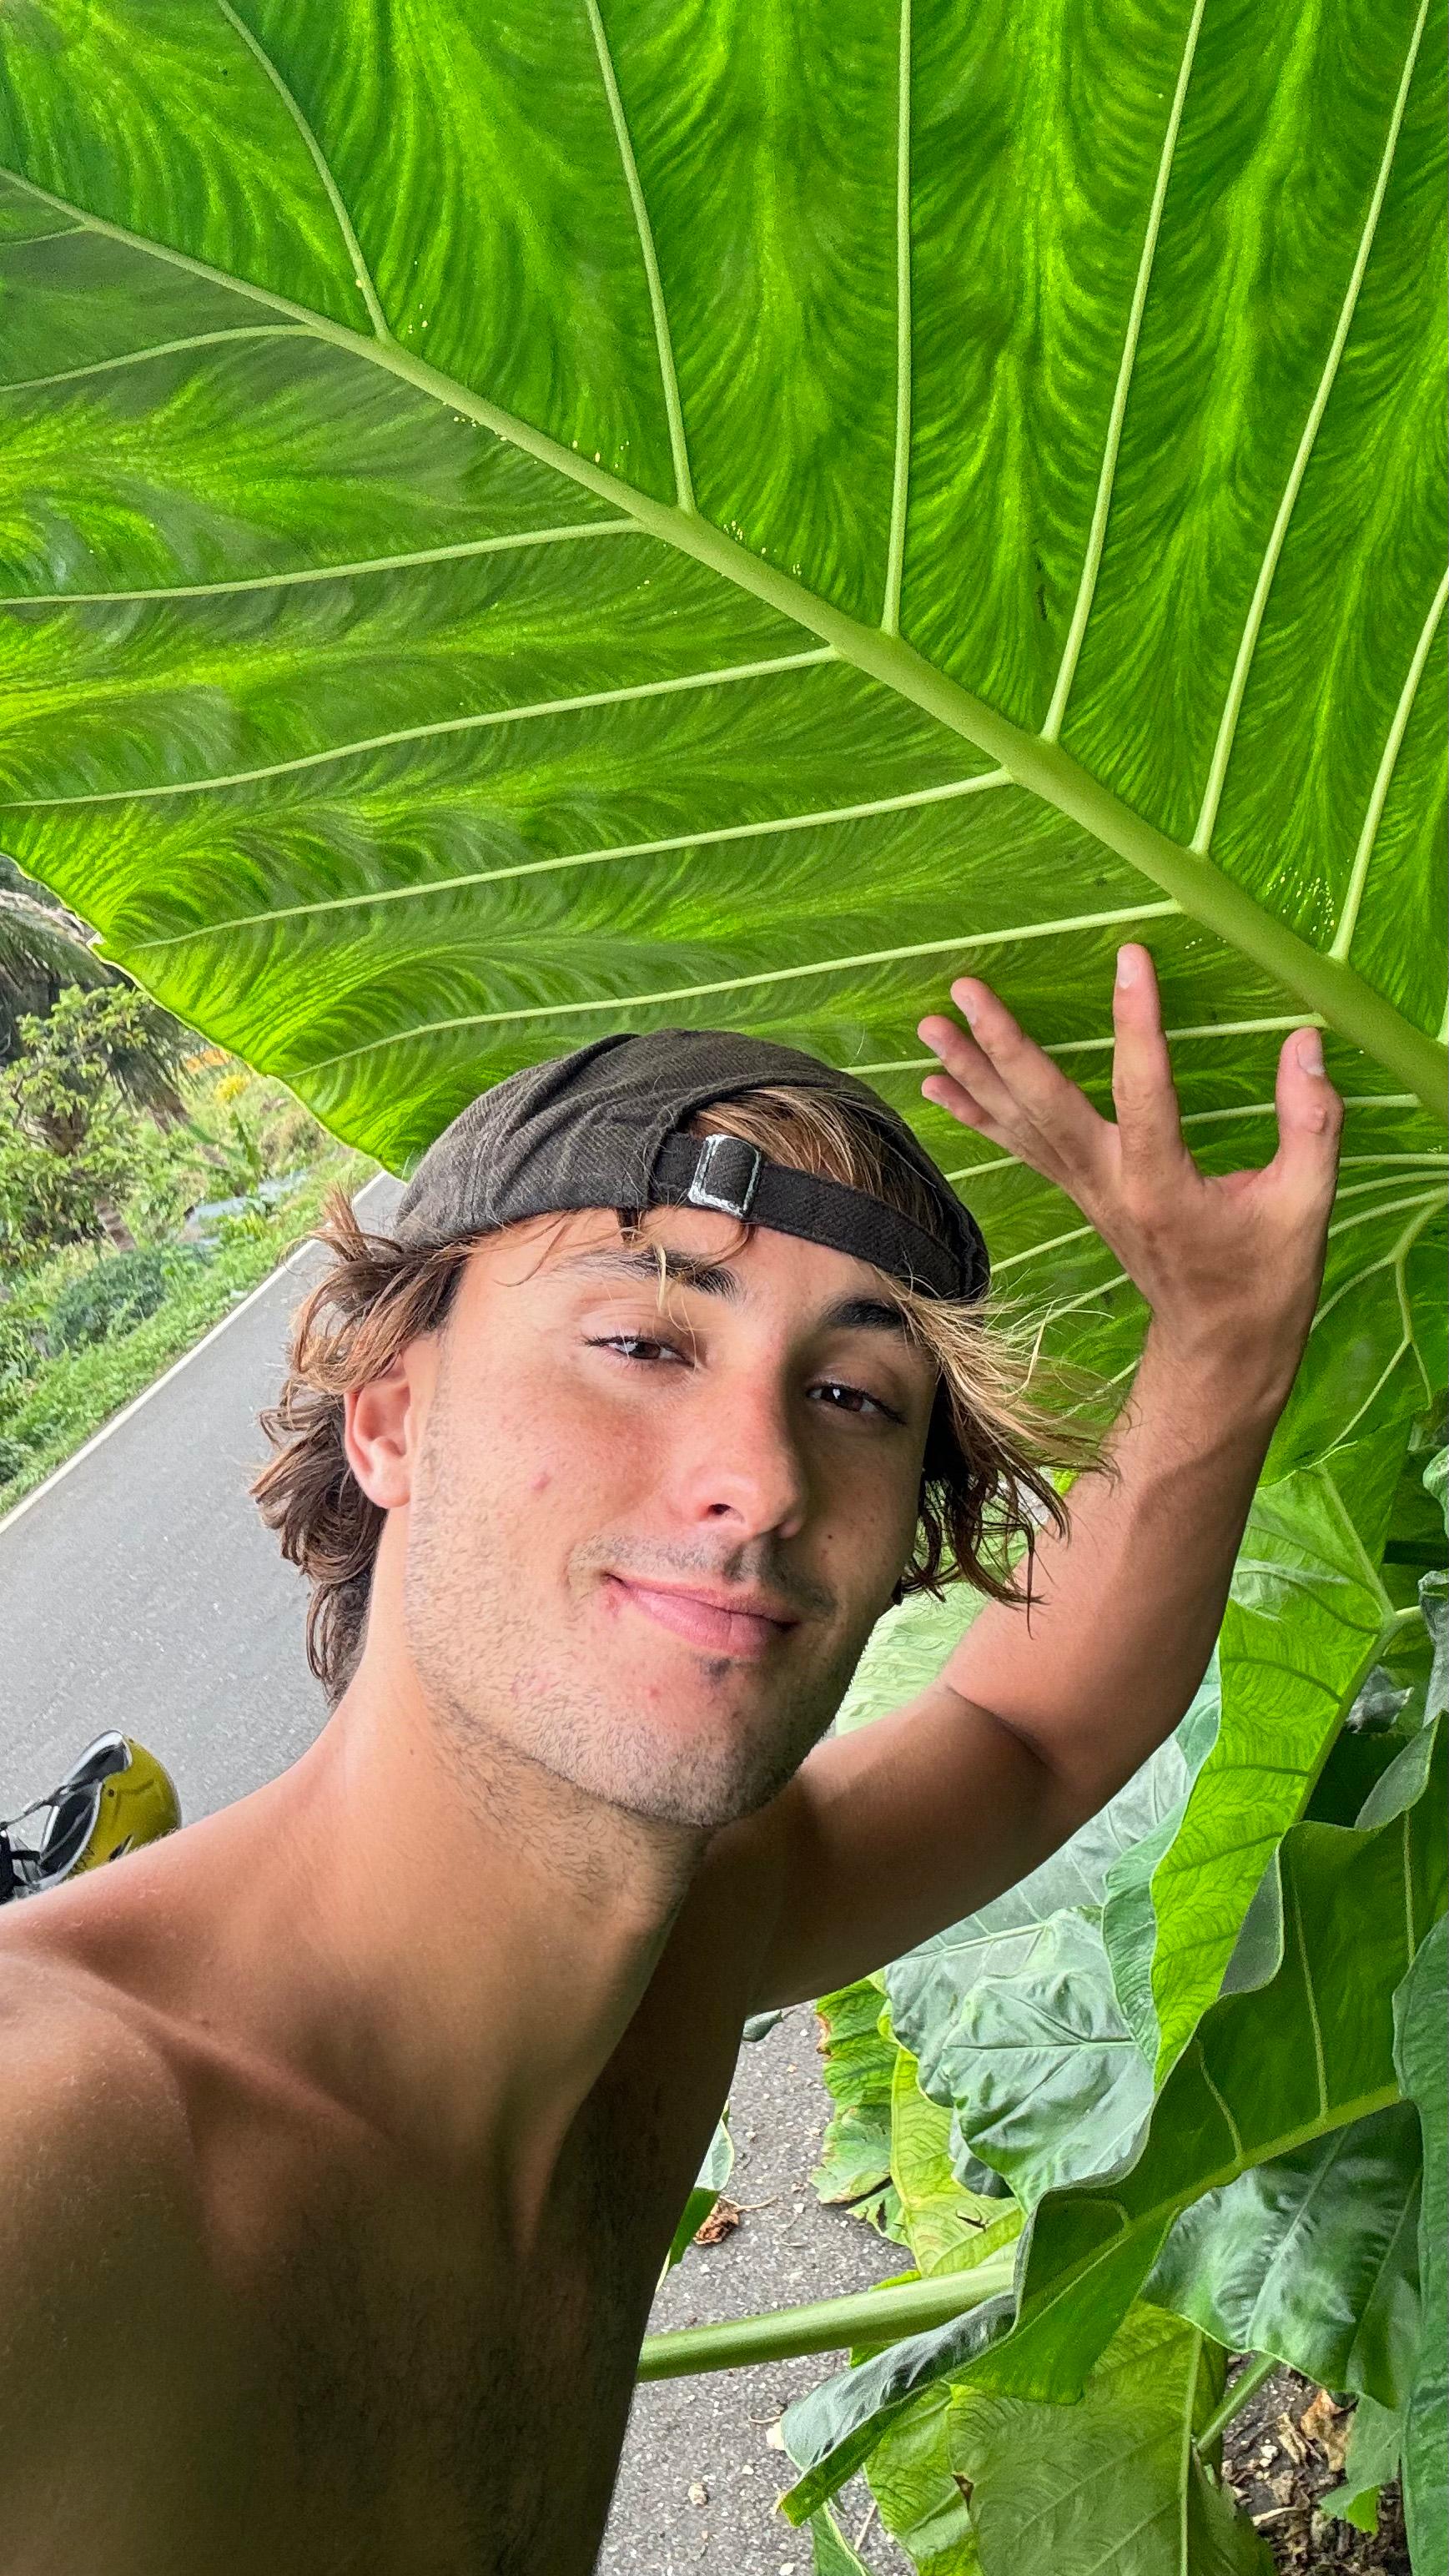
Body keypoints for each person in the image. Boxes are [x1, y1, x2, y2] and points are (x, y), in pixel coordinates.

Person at [0, 949, 1340, 2575]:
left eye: (851, 1391)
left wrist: (1219, 1340)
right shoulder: (56, 2139)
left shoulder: (672, 1964)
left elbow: (1026, 1736)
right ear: (389, 1413)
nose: (760, 1474)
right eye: (643, 1340)